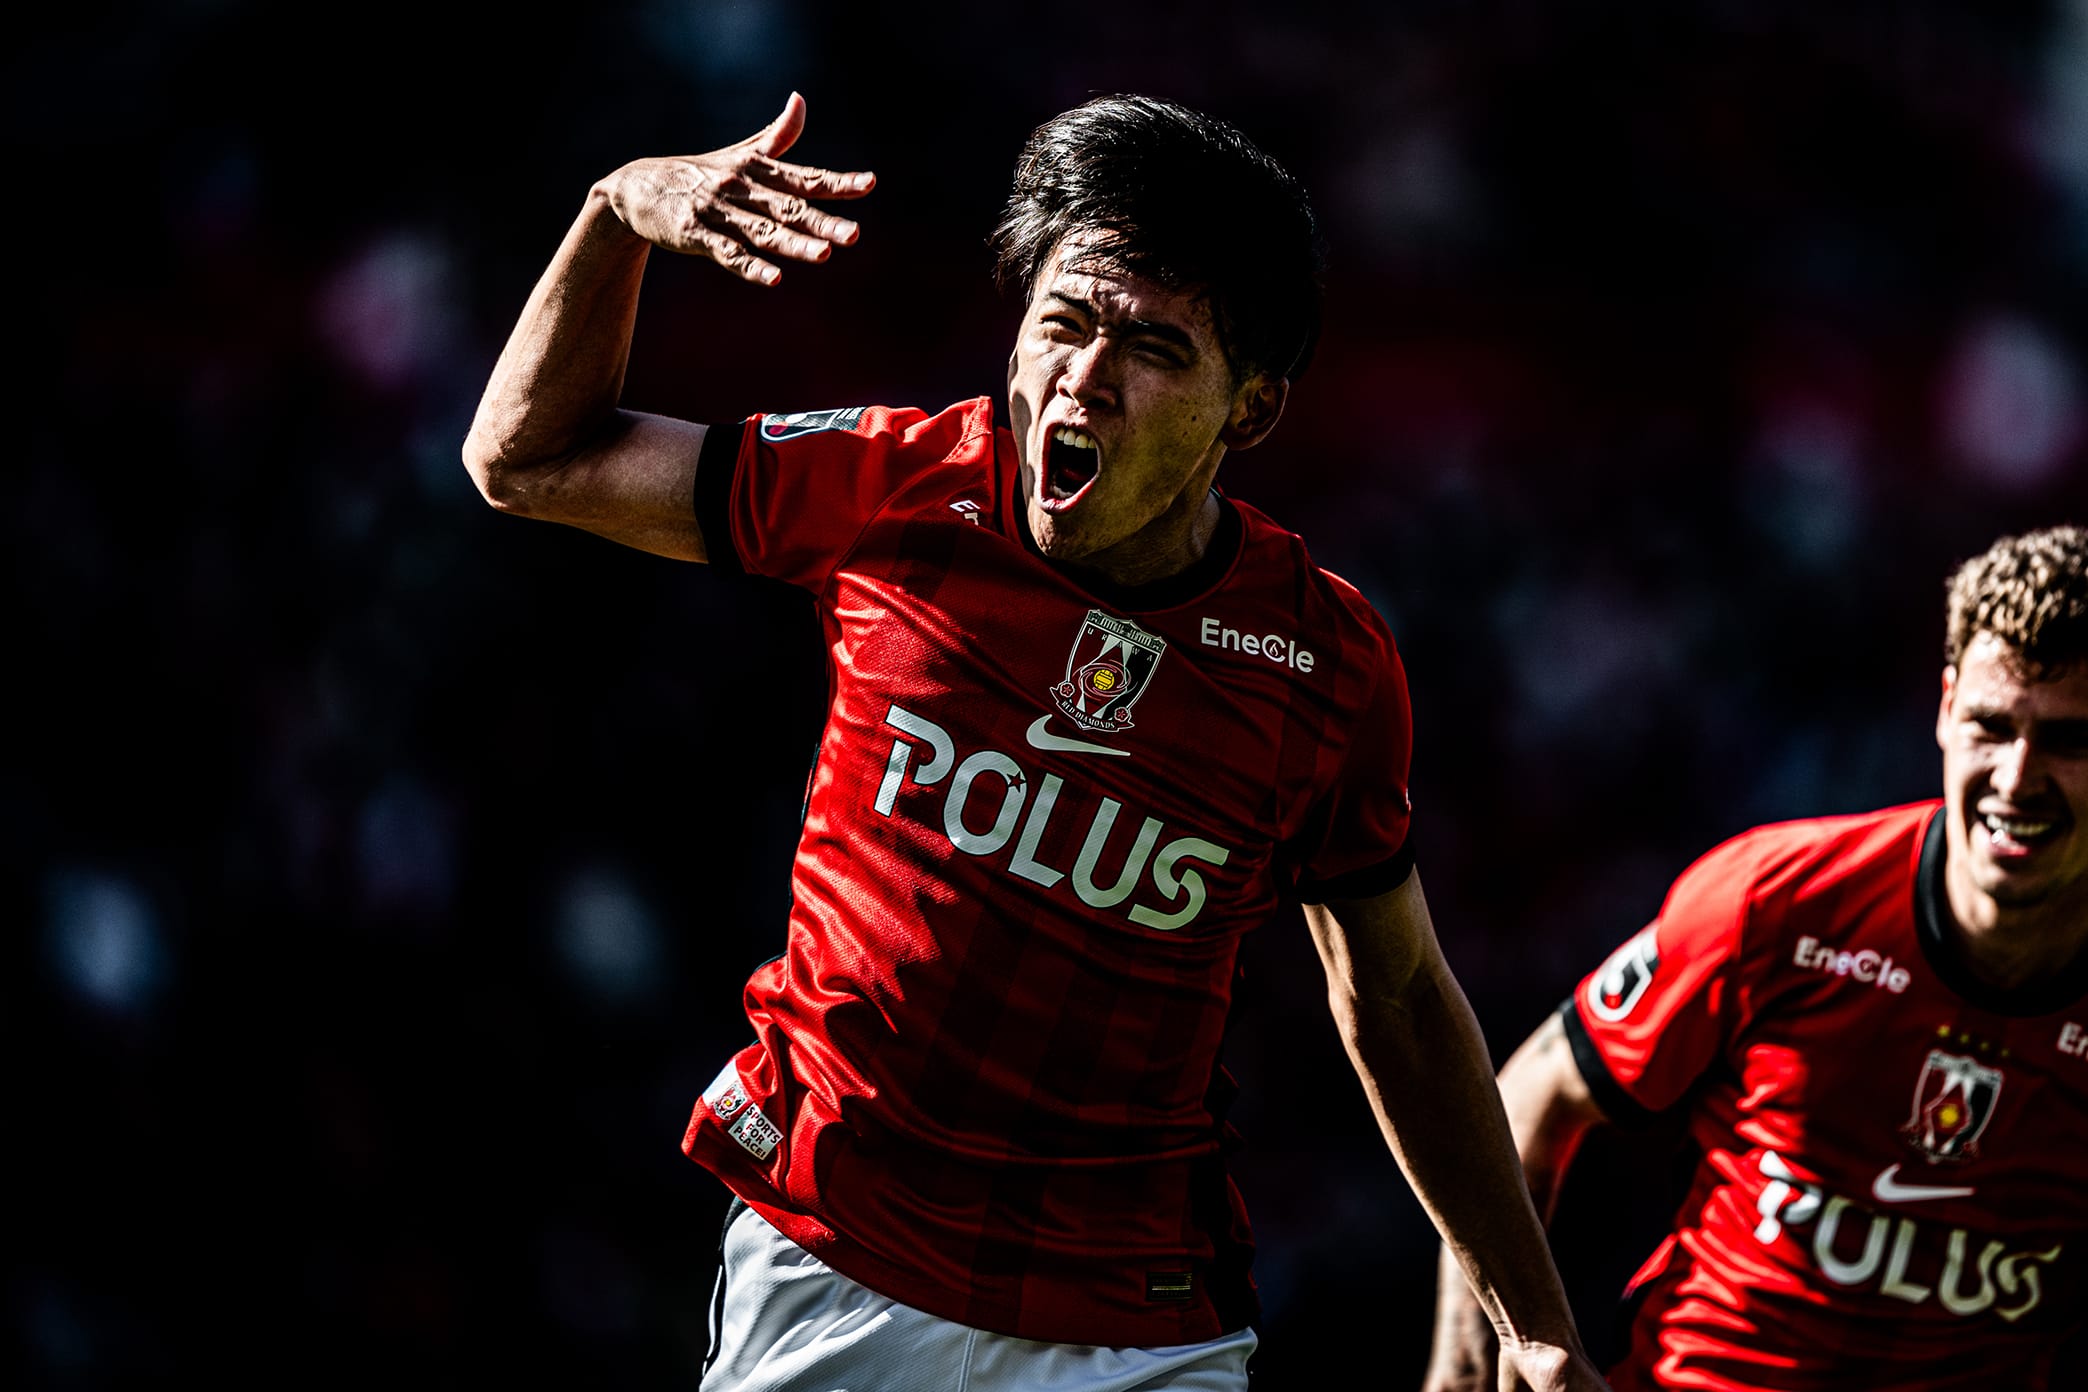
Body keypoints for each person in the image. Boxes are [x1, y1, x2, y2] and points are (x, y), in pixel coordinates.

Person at [463, 90, 1606, 1391]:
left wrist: (1533, 1321)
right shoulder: (892, 489)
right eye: (1063, 321)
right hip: (833, 1266)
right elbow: (525, 460)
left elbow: (1396, 998)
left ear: (1250, 411)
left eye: (1155, 348)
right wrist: (618, 213)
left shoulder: (1325, 665)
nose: (1086, 377)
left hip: (1136, 1325)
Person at [1423, 524, 2088, 1392]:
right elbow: (1528, 1098)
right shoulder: (1779, 900)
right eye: (1992, 727)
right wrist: (1499, 1352)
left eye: (2070, 740)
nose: (2017, 777)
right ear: (1944, 706)